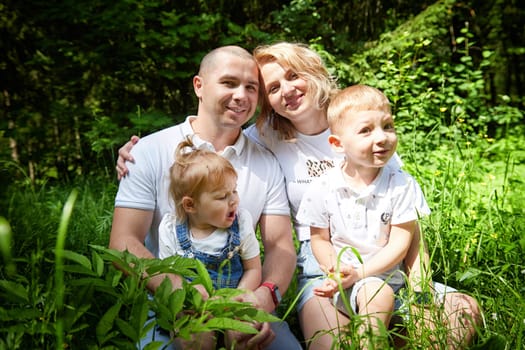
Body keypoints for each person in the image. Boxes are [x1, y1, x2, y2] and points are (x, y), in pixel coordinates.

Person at [116, 42, 481, 349]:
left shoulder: (363, 128)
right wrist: (136, 153)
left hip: (385, 260)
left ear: (315, 73)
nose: (285, 90)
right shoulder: (262, 142)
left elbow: (405, 221)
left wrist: (417, 287)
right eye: (272, 88)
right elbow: (125, 240)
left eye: (292, 76)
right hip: (319, 266)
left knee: (461, 315)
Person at [109, 45, 301, 350]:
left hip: (242, 300)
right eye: (229, 83)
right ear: (199, 86)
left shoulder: (266, 161)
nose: (242, 95)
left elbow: (280, 246)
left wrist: (263, 297)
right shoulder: (148, 151)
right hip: (169, 301)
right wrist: (182, 297)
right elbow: (123, 243)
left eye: (251, 87)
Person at [296, 84, 429, 348]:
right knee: (369, 296)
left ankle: (371, 343)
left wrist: (361, 273)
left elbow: (400, 244)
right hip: (342, 282)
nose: (382, 137)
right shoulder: (323, 187)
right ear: (337, 144)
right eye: (366, 130)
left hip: (388, 280)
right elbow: (319, 239)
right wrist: (335, 269)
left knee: (376, 293)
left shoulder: (402, 184)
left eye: (387, 126)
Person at [158, 137, 262, 348]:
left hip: (233, 303)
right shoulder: (171, 229)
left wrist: (238, 297)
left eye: (234, 190)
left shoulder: (241, 222)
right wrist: (187, 292)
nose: (234, 200)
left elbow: (253, 269)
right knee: (195, 336)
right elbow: (169, 277)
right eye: (222, 196)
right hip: (193, 307)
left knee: (243, 335)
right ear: (190, 205)